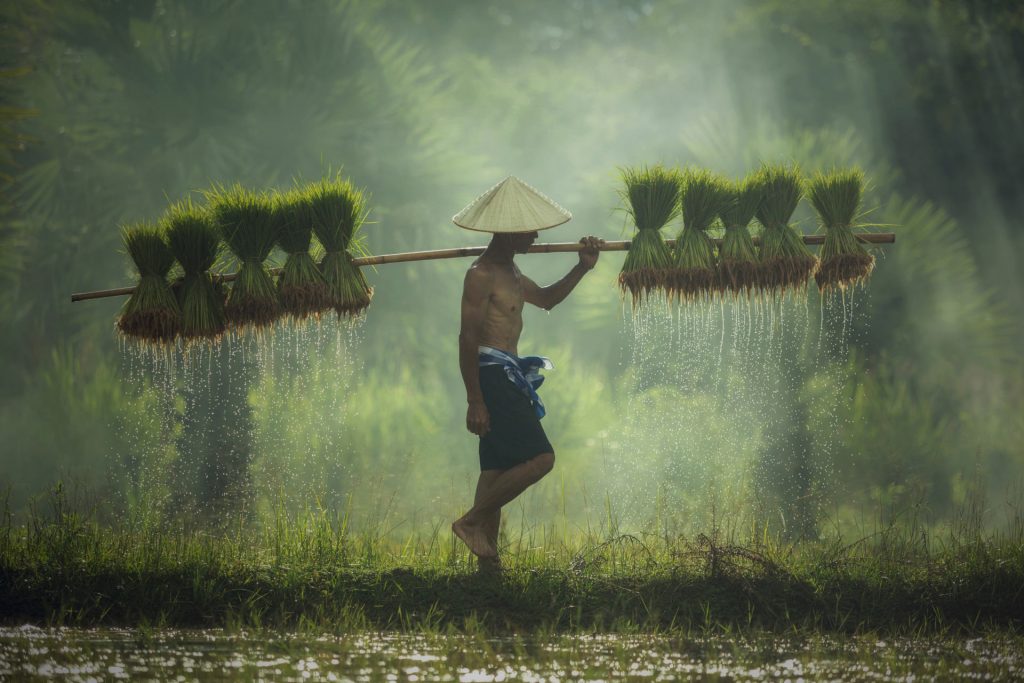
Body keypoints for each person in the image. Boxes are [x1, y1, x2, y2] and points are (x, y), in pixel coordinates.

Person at [447, 176, 603, 568]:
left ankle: (489, 567)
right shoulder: (481, 274)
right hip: (492, 374)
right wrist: (475, 399)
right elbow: (467, 339)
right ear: (510, 231)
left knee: (495, 467)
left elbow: (547, 299)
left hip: (507, 372)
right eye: (529, 229)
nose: (535, 235)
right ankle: (471, 521)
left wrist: (582, 268)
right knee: (541, 459)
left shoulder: (513, 273)